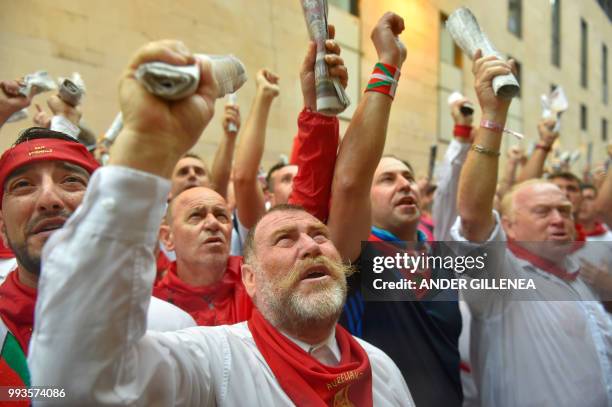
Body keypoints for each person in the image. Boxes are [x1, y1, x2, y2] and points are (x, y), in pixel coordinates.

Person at [29, 35, 414, 406]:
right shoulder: (212, 361)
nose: (311, 244)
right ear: (249, 277)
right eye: (284, 240)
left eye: (319, 233)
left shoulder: (383, 368)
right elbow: (79, 386)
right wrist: (143, 156)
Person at [453, 48, 611, 406]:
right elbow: (474, 216)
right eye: (543, 212)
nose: (559, 220)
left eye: (565, 210)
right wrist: (493, 116)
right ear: (508, 225)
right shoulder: (499, 281)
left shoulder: (580, 275)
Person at [154, 186, 253, 325]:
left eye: (221, 216)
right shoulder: (154, 308)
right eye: (196, 216)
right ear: (167, 238)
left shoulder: (259, 281)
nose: (213, 223)